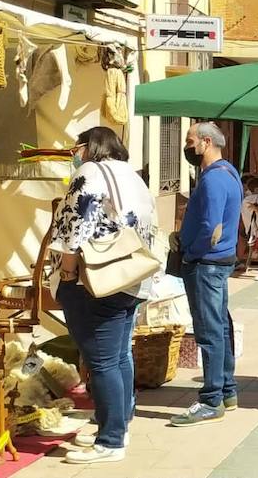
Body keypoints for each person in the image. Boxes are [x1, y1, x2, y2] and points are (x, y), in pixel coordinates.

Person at [51, 126, 157, 464]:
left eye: (76, 147)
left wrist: (67, 273)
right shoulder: (133, 175)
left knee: (102, 361)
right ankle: (119, 425)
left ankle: (110, 441)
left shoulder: (90, 171)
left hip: (95, 279)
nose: (74, 154)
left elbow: (73, 227)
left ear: (88, 147)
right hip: (130, 276)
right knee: (119, 356)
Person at [171, 122, 243, 427]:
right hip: (218, 260)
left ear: (206, 141)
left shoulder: (213, 179)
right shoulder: (229, 172)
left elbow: (210, 229)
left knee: (209, 330)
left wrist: (188, 250)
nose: (187, 147)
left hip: (206, 262)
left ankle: (211, 399)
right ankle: (227, 390)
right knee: (220, 325)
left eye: (190, 141)